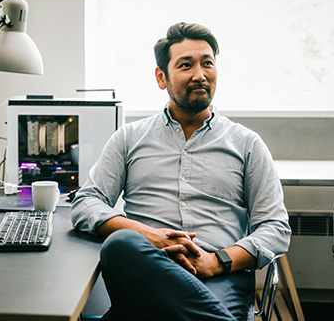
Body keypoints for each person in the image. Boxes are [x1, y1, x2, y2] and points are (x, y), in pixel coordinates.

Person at [71, 22, 291, 321]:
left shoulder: (246, 143)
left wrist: (217, 261)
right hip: (146, 272)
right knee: (122, 244)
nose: (200, 75)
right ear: (162, 77)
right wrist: (150, 236)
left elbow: (275, 228)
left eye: (207, 64)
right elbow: (86, 203)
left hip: (219, 278)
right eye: (186, 65)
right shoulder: (129, 138)